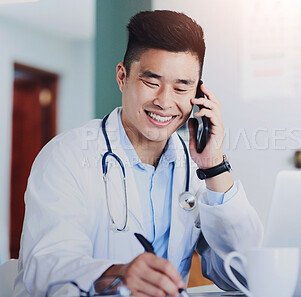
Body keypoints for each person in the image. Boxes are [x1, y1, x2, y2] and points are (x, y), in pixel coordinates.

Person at [13, 10, 263, 297]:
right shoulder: (66, 156)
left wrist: (215, 168)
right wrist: (119, 274)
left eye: (182, 87)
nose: (165, 101)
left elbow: (244, 275)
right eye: (152, 82)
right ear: (122, 77)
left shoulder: (195, 167)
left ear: (199, 95)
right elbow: (43, 270)